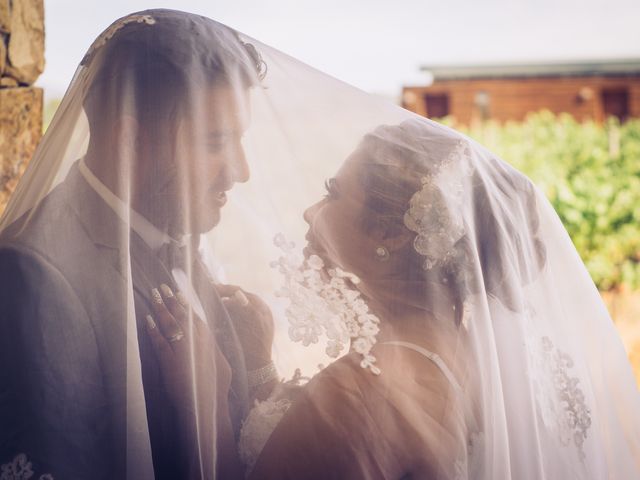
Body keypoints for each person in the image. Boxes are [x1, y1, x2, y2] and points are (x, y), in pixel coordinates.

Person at [152, 117, 640, 479]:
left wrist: (207, 403)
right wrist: (260, 369)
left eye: (333, 194)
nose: (308, 212)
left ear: (391, 232)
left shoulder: (362, 394)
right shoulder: (462, 350)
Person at [0, 9, 276, 479]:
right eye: (215, 143)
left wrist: (253, 365)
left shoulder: (177, 229)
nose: (241, 170)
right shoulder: (32, 277)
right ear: (129, 138)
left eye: (240, 140)